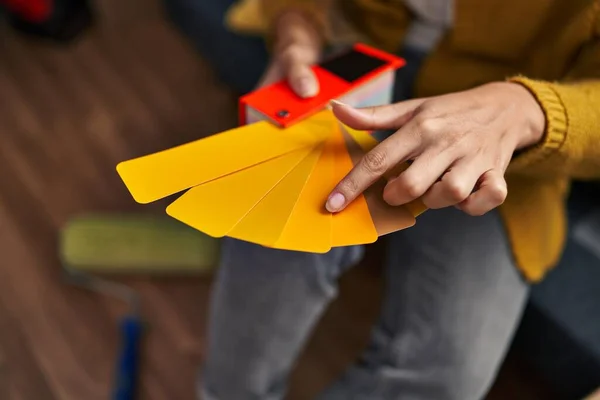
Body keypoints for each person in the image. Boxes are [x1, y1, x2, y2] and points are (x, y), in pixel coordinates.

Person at [163, 0, 600, 399]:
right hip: (353, 52)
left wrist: (527, 111)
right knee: (268, 237)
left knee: (446, 369)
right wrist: (296, 20)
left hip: (518, 123)